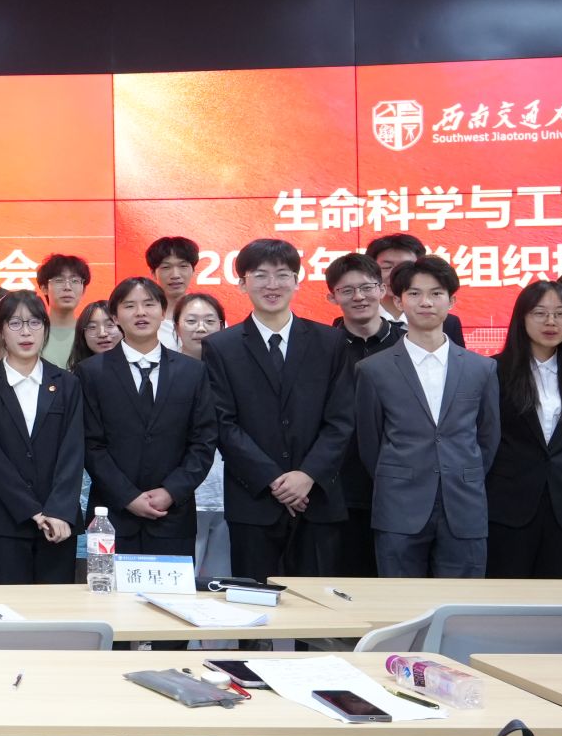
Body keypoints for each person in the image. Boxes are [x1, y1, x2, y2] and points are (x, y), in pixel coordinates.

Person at [201, 238, 355, 578]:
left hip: (318, 498)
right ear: (242, 284)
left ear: (297, 282)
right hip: (253, 500)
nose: (272, 285)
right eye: (260, 275)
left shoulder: (330, 341)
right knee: (254, 600)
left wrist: (307, 475)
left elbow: (342, 420)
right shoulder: (220, 346)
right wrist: (273, 479)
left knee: (318, 605)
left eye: (282, 275)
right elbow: (223, 423)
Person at [354, 258, 500, 579]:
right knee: (401, 601)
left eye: (436, 293)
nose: (426, 302)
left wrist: (462, 472)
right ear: (398, 301)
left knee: (462, 600)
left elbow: (488, 438)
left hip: (464, 504)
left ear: (452, 301)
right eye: (415, 293)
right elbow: (369, 442)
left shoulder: (482, 368)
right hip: (398, 504)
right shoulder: (373, 370)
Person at [80, 278, 217, 560]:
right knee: (107, 589)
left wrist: (171, 491)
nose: (140, 312)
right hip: (112, 517)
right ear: (115, 316)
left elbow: (203, 442)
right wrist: (127, 496)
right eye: (130, 306)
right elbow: (90, 444)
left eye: (149, 304)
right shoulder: (91, 372)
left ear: (163, 311)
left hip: (173, 516)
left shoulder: (192, 372)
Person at [0, 290, 85, 583]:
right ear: (0, 331)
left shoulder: (67, 383)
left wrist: (58, 511)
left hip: (58, 522)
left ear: (45, 328)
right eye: (15, 323)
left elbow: (73, 451)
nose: (26, 332)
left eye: (34, 323)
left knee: (55, 606)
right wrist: (32, 510)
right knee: (6, 605)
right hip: (4, 521)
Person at [485, 280, 562, 578]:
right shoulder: (493, 371)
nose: (551, 321)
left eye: (561, 313)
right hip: (508, 505)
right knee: (507, 595)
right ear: (521, 318)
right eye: (540, 313)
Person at [326, 253, 403, 577]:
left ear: (382, 289)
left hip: (399, 484)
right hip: (338, 486)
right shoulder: (321, 347)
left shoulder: (407, 344)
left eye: (367, 287)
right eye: (347, 290)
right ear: (332, 297)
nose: (359, 297)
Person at [171, 292, 232, 574]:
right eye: (191, 320)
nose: (200, 328)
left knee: (222, 580)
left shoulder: (235, 370)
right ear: (176, 327)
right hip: (182, 493)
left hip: (230, 492)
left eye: (210, 321)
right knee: (184, 576)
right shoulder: (165, 371)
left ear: (223, 325)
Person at [366, 234, 465, 345]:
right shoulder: (360, 321)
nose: (395, 274)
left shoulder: (447, 322)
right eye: (386, 267)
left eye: (405, 267)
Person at [37, 253, 91, 367]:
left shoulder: (91, 332)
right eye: (59, 280)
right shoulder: (32, 332)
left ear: (83, 290)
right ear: (44, 288)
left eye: (75, 281)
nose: (67, 287)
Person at [146, 237, 199, 351]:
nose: (175, 275)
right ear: (153, 273)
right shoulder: (144, 316)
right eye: (166, 267)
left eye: (183, 266)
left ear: (193, 270)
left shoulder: (209, 313)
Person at [67, 299, 121, 368]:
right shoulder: (79, 372)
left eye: (110, 325)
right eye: (92, 327)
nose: (102, 334)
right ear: (83, 335)